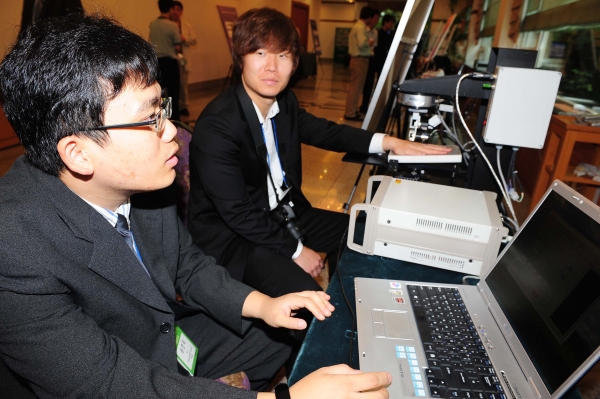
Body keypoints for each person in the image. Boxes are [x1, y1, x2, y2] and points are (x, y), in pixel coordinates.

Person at [0, 13, 393, 398]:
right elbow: (106, 381)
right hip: (110, 374)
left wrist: (263, 305)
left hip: (162, 337)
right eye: (149, 119)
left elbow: (186, 264)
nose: (172, 131)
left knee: (286, 330)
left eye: (163, 110)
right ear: (78, 154)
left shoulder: (147, 183)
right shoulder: (14, 250)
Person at [187, 8, 451, 299]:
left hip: (281, 215)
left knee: (362, 233)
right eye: (260, 53)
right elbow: (237, 214)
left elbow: (328, 132)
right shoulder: (218, 125)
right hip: (235, 237)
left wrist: (389, 142)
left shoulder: (284, 102)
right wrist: (297, 251)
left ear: (295, 63)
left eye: (283, 55)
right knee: (310, 303)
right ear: (240, 58)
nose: (272, 67)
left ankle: (349, 302)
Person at [344, 7, 379, 122]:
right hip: (360, 60)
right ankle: (350, 112)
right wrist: (369, 42)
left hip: (357, 59)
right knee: (356, 88)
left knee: (356, 87)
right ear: (368, 18)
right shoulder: (360, 28)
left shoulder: (357, 26)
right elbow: (362, 43)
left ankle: (352, 110)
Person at [149, 0, 181, 120]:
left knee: (161, 91)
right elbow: (177, 46)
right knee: (173, 92)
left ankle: (162, 116)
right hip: (170, 62)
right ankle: (175, 118)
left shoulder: (153, 24)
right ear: (171, 9)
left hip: (157, 62)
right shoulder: (172, 25)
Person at [360, 14, 396, 114]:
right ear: (385, 22)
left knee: (380, 83)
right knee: (369, 83)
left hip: (383, 61)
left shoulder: (390, 33)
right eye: (390, 22)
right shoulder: (378, 32)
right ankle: (365, 105)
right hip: (375, 60)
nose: (392, 25)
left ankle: (375, 104)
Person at [169, 1, 197, 117]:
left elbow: (194, 40)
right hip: (170, 58)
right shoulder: (166, 24)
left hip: (182, 59)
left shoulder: (186, 25)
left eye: (178, 10)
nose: (176, 12)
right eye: (174, 9)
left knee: (183, 84)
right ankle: (172, 108)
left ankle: (183, 106)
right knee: (171, 85)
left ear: (181, 12)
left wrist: (184, 38)